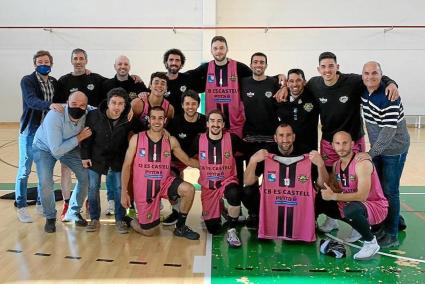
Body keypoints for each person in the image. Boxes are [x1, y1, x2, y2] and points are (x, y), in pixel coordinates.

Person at [306, 51, 398, 233]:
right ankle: (332, 219)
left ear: (337, 67)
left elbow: (374, 75)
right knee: (330, 180)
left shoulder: (352, 81)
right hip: (329, 141)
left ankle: (360, 222)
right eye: (323, 66)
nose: (327, 70)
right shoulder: (314, 84)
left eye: (331, 66)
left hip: (354, 140)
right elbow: (297, 86)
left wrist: (392, 83)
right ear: (318, 69)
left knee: (357, 180)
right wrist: (282, 84)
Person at [121, 106, 200, 240]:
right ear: (149, 120)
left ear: (165, 120)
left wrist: (211, 166)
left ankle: (180, 227)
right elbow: (127, 165)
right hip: (144, 189)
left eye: (160, 118)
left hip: (164, 183)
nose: (157, 121)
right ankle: (130, 220)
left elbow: (187, 160)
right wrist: (124, 191)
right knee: (149, 232)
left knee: (189, 189)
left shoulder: (171, 140)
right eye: (153, 118)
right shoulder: (137, 139)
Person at [244, 123, 328, 241]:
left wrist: (321, 165)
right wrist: (252, 160)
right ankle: (258, 216)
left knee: (322, 194)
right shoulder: (267, 154)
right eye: (281, 135)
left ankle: (310, 219)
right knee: (248, 191)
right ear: (275, 138)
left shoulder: (307, 153)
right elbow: (247, 181)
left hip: (299, 207)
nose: (285, 139)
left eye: (288, 135)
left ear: (293, 137)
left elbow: (322, 185)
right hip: (273, 204)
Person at [359, 61, 410, 248]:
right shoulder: (364, 89)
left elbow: (388, 133)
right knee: (379, 191)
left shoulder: (390, 97)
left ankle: (392, 234)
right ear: (362, 75)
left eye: (375, 73)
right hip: (378, 149)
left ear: (381, 75)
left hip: (394, 150)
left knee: (390, 191)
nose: (370, 77)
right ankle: (383, 225)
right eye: (366, 73)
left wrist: (370, 154)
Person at [316, 131, 388, 260]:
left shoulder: (362, 163)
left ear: (353, 144)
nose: (341, 147)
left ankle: (370, 242)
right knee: (319, 199)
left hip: (374, 206)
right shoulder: (336, 165)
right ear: (332, 145)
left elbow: (362, 196)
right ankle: (316, 227)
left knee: (351, 209)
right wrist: (321, 167)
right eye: (337, 143)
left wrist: (334, 196)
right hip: (351, 205)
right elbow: (334, 189)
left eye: (345, 143)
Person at [81, 87, 142, 233]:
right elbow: (86, 137)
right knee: (93, 188)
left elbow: (143, 130)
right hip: (96, 158)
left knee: (119, 189)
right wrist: (85, 156)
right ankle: (94, 218)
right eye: (114, 102)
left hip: (117, 159)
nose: (117, 106)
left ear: (125, 105)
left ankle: (120, 219)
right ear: (108, 103)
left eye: (121, 103)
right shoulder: (94, 115)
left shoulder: (129, 117)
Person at [32, 91, 93, 233]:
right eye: (74, 104)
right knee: (46, 182)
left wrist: (128, 111)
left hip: (68, 147)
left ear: (86, 106)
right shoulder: (55, 116)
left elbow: (105, 109)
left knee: (85, 177)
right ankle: (50, 217)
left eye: (82, 105)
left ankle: (73, 212)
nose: (78, 107)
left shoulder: (89, 111)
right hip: (45, 148)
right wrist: (79, 137)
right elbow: (56, 150)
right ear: (67, 103)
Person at [15, 50, 64, 223]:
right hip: (30, 130)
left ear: (51, 63)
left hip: (47, 132)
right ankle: (20, 205)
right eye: (40, 61)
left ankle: (40, 203)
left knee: (44, 170)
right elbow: (31, 101)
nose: (44, 64)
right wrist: (50, 105)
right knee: (25, 170)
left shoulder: (54, 82)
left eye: (47, 61)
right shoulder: (27, 80)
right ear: (35, 64)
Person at [101, 55, 148, 215]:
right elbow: (102, 106)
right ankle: (111, 201)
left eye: (126, 64)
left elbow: (146, 98)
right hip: (112, 133)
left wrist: (143, 95)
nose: (123, 66)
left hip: (132, 133)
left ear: (130, 66)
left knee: (133, 168)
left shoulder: (137, 82)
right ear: (114, 66)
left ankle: (134, 199)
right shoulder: (106, 84)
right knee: (111, 169)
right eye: (120, 64)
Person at [239, 52, 281, 225]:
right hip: (250, 140)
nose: (258, 64)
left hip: (271, 141)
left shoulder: (274, 82)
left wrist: (282, 79)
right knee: (250, 183)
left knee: (271, 180)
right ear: (250, 64)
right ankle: (254, 213)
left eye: (262, 62)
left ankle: (271, 212)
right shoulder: (243, 82)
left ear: (266, 65)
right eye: (255, 62)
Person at [195, 109, 244, 247]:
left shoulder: (232, 139)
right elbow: (183, 153)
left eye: (219, 121)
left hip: (227, 181)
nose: (215, 124)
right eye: (212, 121)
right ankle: (221, 208)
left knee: (234, 193)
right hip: (208, 187)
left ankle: (232, 230)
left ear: (223, 125)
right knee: (213, 229)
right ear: (207, 124)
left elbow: (248, 151)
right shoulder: (199, 139)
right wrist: (197, 164)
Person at [162, 90, 206, 226]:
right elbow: (167, 145)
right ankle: (176, 211)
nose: (190, 106)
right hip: (178, 157)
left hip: (199, 157)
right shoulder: (175, 122)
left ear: (198, 105)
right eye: (187, 103)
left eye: (194, 103)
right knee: (169, 180)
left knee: (210, 178)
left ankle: (209, 211)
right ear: (182, 105)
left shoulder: (206, 121)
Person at [277, 69, 319, 154]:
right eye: (291, 81)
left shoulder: (314, 96)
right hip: (287, 149)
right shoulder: (280, 98)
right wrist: (281, 81)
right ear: (287, 83)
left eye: (298, 80)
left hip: (309, 149)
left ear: (304, 82)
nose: (295, 84)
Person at [162, 49, 195, 116]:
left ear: (181, 64)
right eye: (171, 60)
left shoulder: (187, 78)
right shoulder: (159, 80)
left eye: (177, 60)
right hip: (163, 121)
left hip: (182, 122)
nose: (174, 63)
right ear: (166, 63)